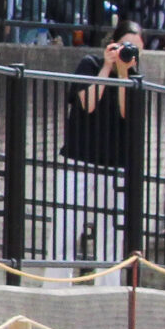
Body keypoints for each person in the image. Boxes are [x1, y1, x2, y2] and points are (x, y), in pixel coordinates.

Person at [55, 25, 141, 279]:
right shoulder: (90, 65)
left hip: (114, 164)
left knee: (111, 235)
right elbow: (88, 104)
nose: (126, 52)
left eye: (134, 47)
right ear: (112, 44)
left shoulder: (135, 78)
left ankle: (108, 289)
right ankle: (56, 285)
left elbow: (128, 113)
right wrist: (107, 67)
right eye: (123, 45)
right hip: (78, 157)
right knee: (66, 225)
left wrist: (124, 75)